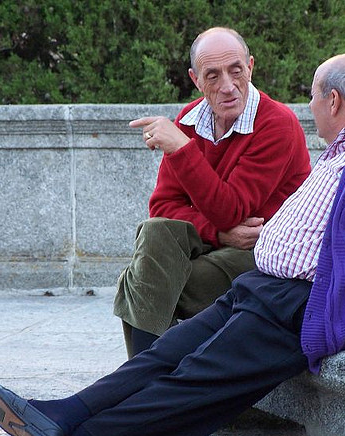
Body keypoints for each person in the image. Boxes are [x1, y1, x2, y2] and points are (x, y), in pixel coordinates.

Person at [0, 52, 345, 436]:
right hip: (264, 287)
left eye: (313, 96)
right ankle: (63, 414)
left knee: (195, 378)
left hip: (302, 305)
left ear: (334, 101)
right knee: (164, 356)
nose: (308, 106)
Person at [116, 27, 311, 357]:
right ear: (195, 79)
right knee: (155, 233)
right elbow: (163, 206)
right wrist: (219, 235)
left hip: (268, 255)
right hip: (221, 243)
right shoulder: (190, 121)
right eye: (212, 75)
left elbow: (231, 209)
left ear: (250, 66)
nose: (227, 86)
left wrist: (181, 147)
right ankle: (145, 383)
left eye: (236, 71)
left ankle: (138, 381)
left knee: (139, 282)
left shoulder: (277, 123)